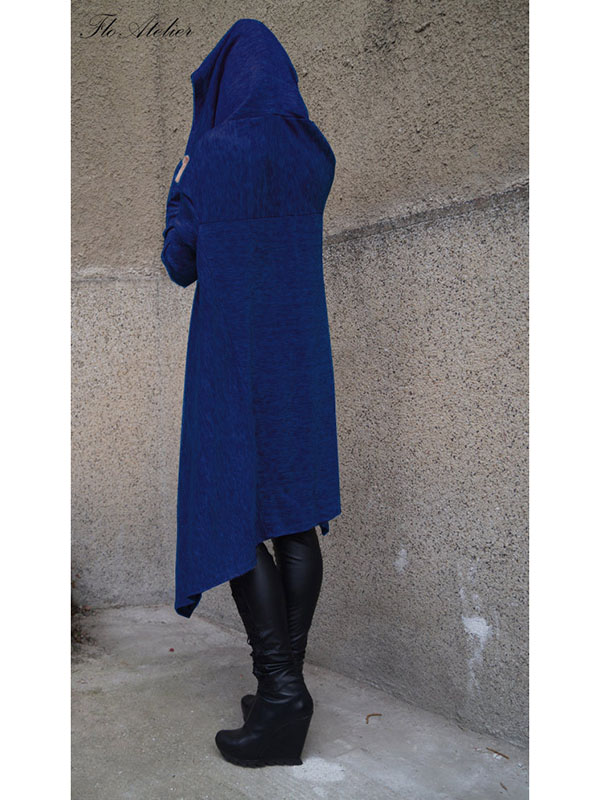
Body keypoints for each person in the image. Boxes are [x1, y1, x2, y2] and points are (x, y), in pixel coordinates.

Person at [160, 18, 340, 767]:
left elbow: (179, 263)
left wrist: (182, 179)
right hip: (298, 359)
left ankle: (281, 693)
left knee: (229, 514)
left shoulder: (211, 157)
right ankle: (282, 694)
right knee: (293, 518)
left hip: (231, 360)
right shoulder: (314, 153)